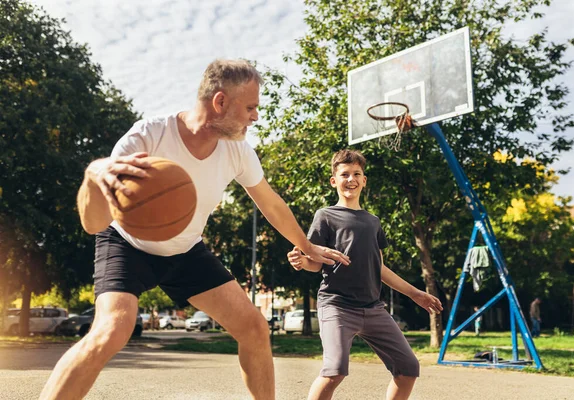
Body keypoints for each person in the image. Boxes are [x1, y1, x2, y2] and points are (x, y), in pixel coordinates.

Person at [39, 59, 350, 400]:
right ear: (220, 102)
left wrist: (306, 244)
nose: (255, 116)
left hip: (186, 249)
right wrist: (93, 175)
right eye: (249, 107)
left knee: (254, 328)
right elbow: (93, 224)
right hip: (127, 245)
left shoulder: (238, 152)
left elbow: (271, 204)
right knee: (112, 328)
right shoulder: (148, 137)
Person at [287, 150, 443, 400]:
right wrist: (301, 262)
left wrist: (416, 294)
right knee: (334, 370)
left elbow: (378, 268)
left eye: (356, 174)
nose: (351, 179)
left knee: (408, 369)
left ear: (364, 180)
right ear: (333, 181)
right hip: (337, 304)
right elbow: (315, 262)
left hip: (373, 308)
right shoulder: (325, 216)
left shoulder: (373, 222)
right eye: (344, 174)